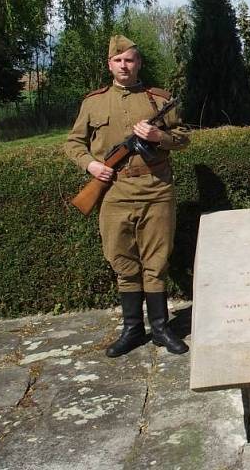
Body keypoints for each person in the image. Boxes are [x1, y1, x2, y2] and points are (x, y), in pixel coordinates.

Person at [64, 35, 190, 357]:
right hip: (114, 192)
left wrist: (158, 136)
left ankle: (161, 329)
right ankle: (133, 329)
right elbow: (73, 143)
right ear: (110, 65)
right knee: (123, 262)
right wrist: (92, 165)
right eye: (118, 61)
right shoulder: (93, 102)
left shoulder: (158, 100)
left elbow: (183, 138)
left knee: (156, 260)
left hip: (156, 190)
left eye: (130, 60)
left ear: (138, 64)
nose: (124, 65)